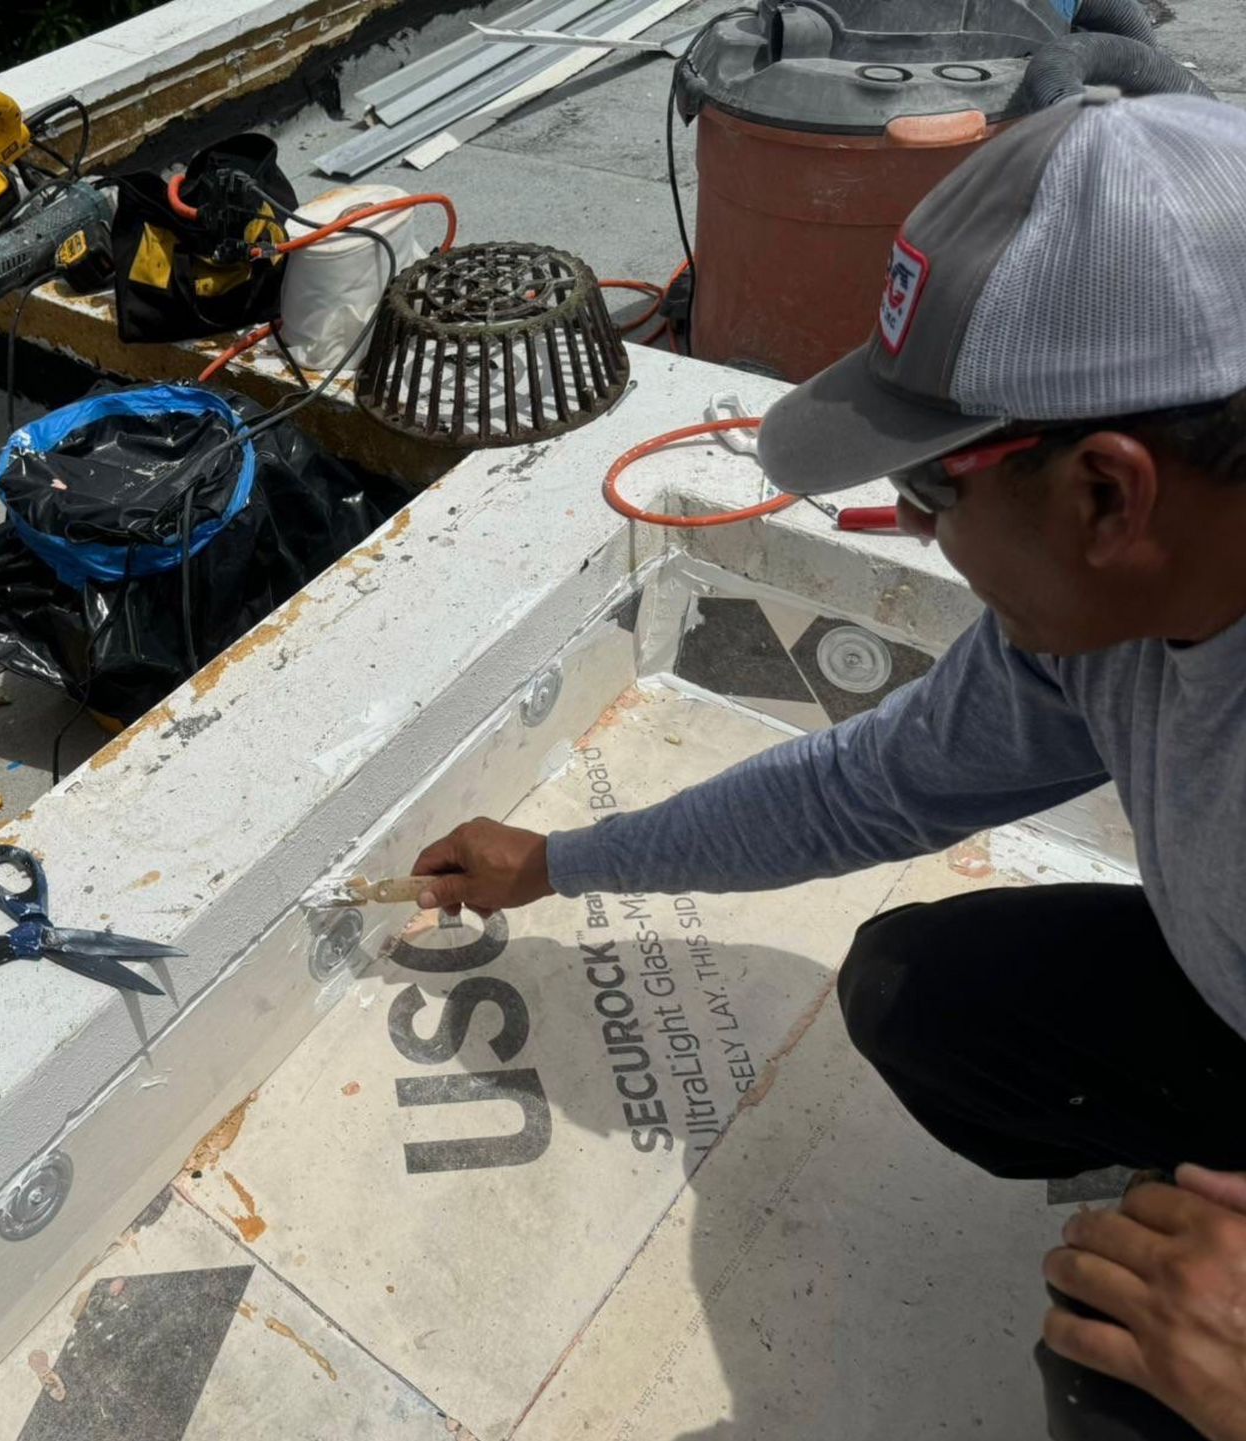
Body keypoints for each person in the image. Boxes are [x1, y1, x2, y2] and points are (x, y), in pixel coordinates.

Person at [412, 91, 1246, 1441]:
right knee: (926, 996)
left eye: (935, 492)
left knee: (1122, 1372)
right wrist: (557, 863)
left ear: (1108, 493)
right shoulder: (1102, 627)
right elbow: (865, 786)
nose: (914, 534)